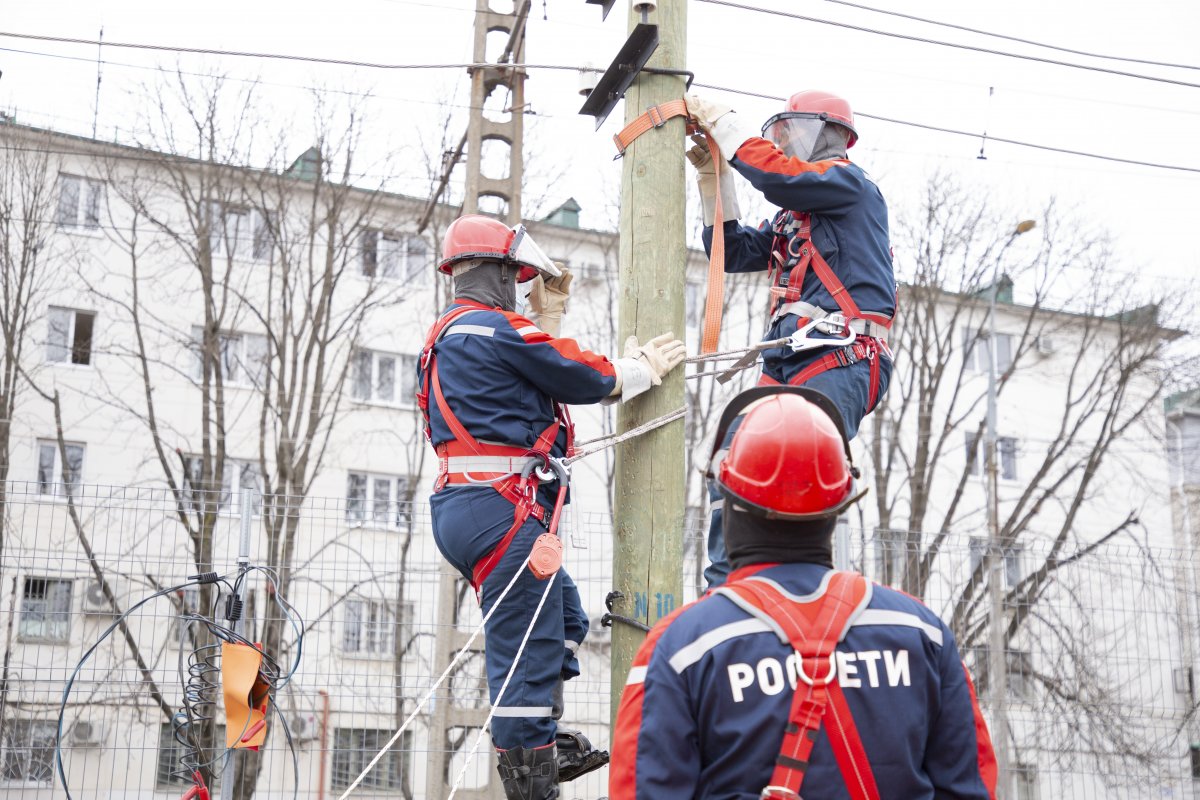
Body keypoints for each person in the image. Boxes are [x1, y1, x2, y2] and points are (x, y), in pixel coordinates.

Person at [610, 386, 997, 800]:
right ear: (839, 503)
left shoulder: (683, 647)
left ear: (731, 504)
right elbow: (970, 788)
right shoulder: (922, 633)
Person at [417, 214, 686, 800]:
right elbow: (575, 374)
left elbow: (521, 383)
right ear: (497, 271)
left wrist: (548, 317)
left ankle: (543, 741)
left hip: (468, 509)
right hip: (499, 513)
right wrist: (640, 370)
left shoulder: (449, 336)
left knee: (562, 616)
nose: (519, 285)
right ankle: (531, 778)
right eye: (515, 275)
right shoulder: (494, 330)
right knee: (527, 657)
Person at [684, 89, 897, 588]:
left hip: (839, 355)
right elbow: (732, 252)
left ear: (831, 135)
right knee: (734, 464)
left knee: (797, 468)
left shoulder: (850, 184)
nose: (785, 144)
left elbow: (781, 178)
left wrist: (730, 131)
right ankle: (731, 589)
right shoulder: (793, 216)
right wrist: (713, 180)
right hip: (792, 355)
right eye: (779, 135)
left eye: (793, 133)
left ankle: (801, 588)